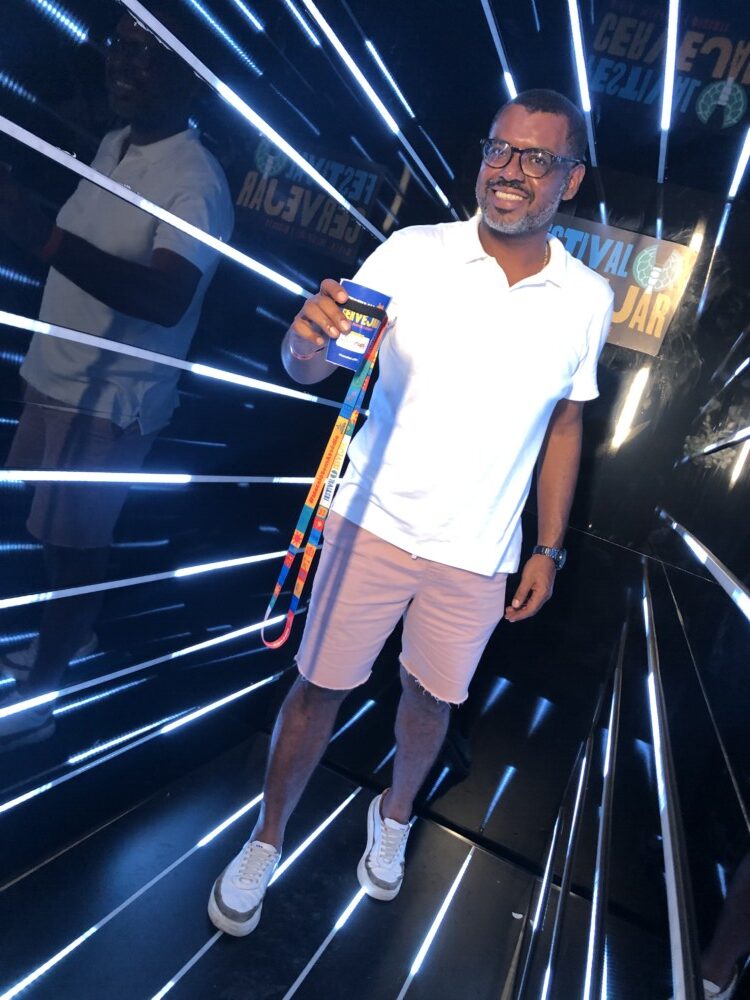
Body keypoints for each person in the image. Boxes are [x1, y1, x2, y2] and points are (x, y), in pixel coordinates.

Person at [208, 89, 614, 937]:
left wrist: (548, 548)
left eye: (536, 157)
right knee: (318, 690)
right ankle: (266, 838)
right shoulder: (411, 253)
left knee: (431, 704)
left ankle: (392, 819)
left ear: (571, 179)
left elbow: (566, 425)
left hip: (478, 555)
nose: (509, 170)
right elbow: (315, 363)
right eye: (499, 148)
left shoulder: (585, 297)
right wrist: (302, 341)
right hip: (372, 524)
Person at [0, 6, 234, 743]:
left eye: (148, 52)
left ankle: (39, 703)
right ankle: (72, 635)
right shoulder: (115, 142)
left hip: (108, 406)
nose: (124, 63)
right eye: (121, 46)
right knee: (51, 532)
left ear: (192, 78)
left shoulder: (195, 180)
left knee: (78, 552)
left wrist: (38, 234)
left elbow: (166, 299)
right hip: (56, 381)